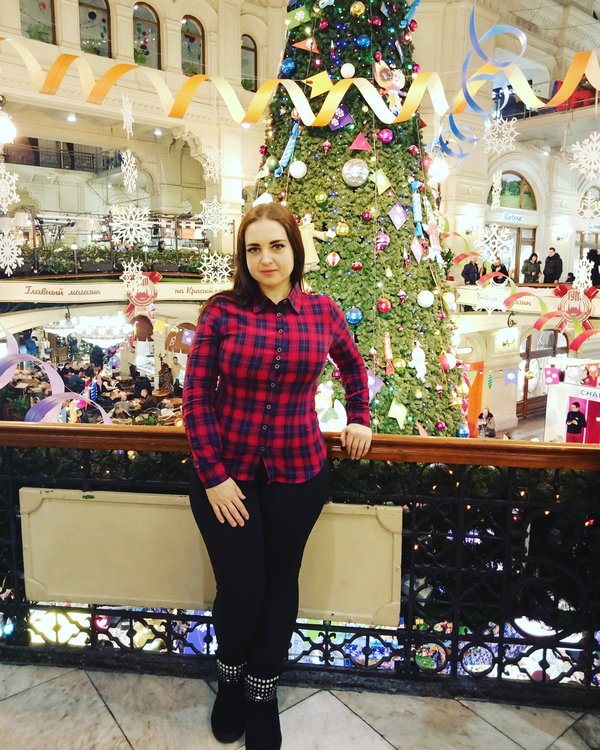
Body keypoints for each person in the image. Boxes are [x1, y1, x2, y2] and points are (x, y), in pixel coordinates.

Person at [183, 203, 371, 750]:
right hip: (227, 478)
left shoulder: (322, 312)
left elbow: (353, 366)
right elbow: (195, 396)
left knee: (281, 585)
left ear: (294, 250)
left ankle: (262, 692)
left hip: (298, 472)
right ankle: (231, 681)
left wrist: (359, 416)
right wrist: (214, 476)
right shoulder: (221, 312)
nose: (266, 258)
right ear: (243, 257)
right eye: (254, 248)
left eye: (276, 245)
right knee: (241, 588)